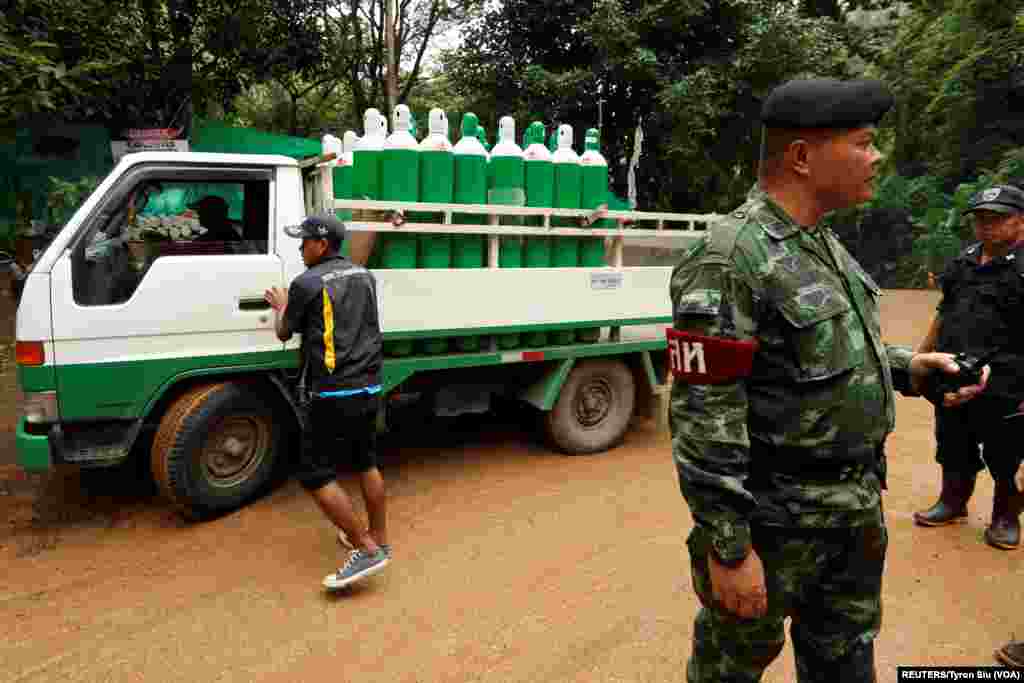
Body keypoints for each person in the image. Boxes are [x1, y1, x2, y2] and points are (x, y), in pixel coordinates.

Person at [668, 78, 989, 682]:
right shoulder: (731, 257)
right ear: (801, 156)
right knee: (727, 672)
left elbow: (828, 349)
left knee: (844, 662)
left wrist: (910, 368)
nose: (877, 156)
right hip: (775, 525)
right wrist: (730, 548)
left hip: (851, 514)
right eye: (863, 143)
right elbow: (704, 415)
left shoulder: (820, 242)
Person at [264, 214, 391, 591]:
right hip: (370, 384)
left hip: (334, 391)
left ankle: (366, 549)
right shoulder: (364, 275)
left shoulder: (306, 282)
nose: (300, 248)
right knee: (366, 462)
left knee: (314, 474)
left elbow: (284, 333)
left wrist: (282, 305)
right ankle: (379, 537)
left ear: (322, 245)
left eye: (304, 242)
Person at [912, 184, 1024, 549]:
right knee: (952, 439)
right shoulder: (963, 261)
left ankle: (1005, 517)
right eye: (980, 219)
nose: (986, 226)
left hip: (1009, 378)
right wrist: (920, 358)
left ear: (1021, 221)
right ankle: (953, 501)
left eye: (997, 218)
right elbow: (944, 312)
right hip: (955, 369)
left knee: (1006, 453)